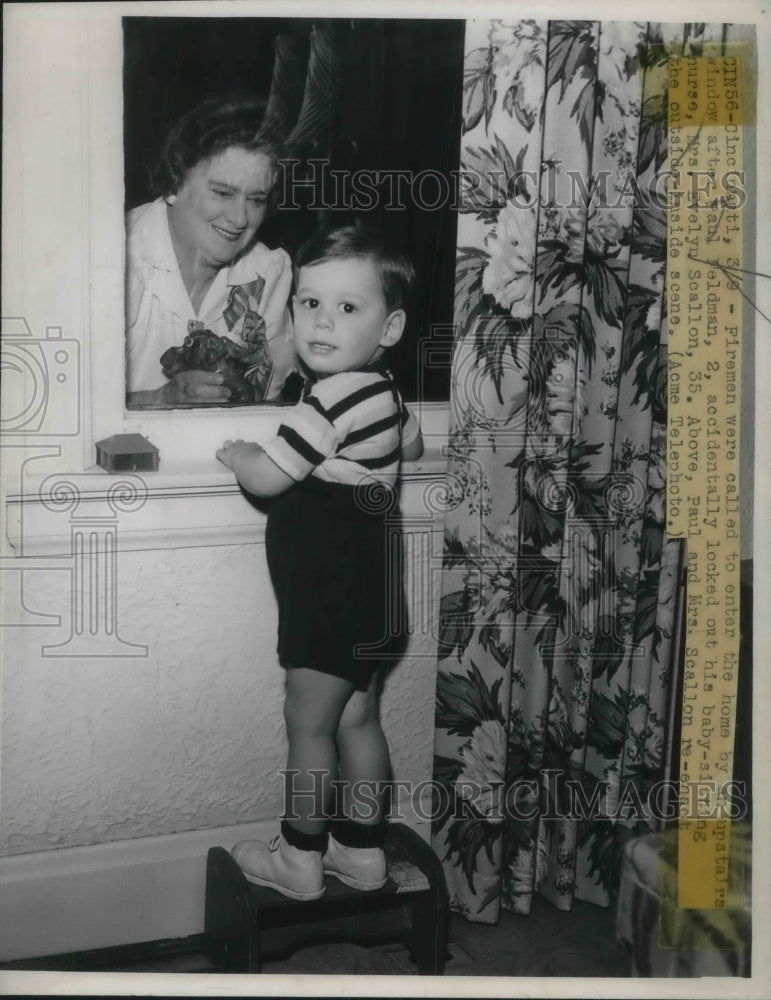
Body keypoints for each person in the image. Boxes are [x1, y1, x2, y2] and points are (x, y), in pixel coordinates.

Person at [216, 226, 424, 900]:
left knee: (307, 727)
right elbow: (411, 446)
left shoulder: (328, 400)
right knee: (357, 720)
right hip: (373, 593)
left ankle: (299, 857)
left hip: (328, 595)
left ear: (389, 325)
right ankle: (361, 853)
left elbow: (269, 480)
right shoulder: (384, 391)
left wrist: (240, 451)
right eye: (308, 304)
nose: (321, 321)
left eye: (347, 308)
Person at [126, 97, 295, 407]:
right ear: (175, 183)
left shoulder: (267, 272)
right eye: (222, 193)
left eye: (256, 200)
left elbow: (268, 406)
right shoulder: (114, 259)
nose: (240, 219)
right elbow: (70, 409)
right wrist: (158, 399)